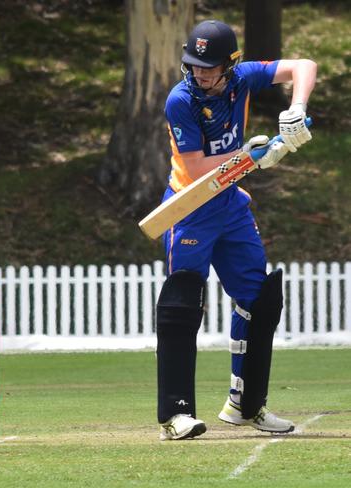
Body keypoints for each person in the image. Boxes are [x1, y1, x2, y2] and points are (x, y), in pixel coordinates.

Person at [155, 20, 317, 440]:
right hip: (190, 207)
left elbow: (304, 65)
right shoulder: (180, 100)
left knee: (259, 300)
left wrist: (296, 108)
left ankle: (246, 407)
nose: (201, 74)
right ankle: (177, 415)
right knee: (182, 303)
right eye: (194, 66)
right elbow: (194, 172)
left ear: (231, 64)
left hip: (230, 207)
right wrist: (250, 158)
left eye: (209, 67)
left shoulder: (242, 78)